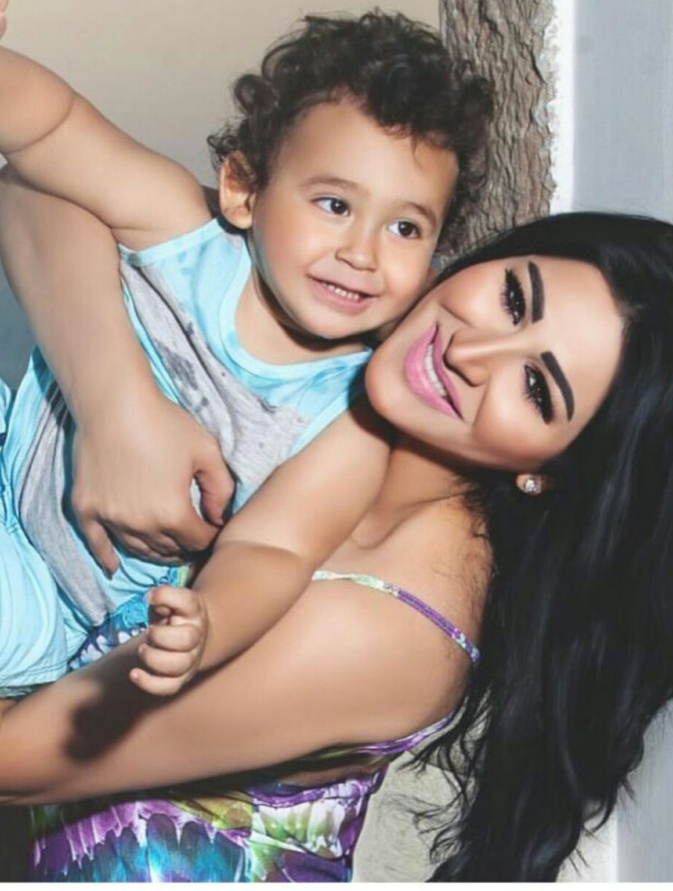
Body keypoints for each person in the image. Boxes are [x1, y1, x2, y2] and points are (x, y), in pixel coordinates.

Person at [2, 201, 673, 882]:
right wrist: (114, 410)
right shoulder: (369, 290)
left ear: (551, 472)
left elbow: (17, 761)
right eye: (513, 298)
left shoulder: (383, 628)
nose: (467, 353)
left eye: (535, 388)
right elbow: (41, 194)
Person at [0, 0, 492, 696]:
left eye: (404, 227)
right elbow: (51, 130)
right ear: (243, 189)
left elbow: (272, 550)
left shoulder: (351, 410)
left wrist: (209, 625)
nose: (362, 253)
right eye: (334, 204)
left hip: (53, 603)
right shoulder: (183, 235)